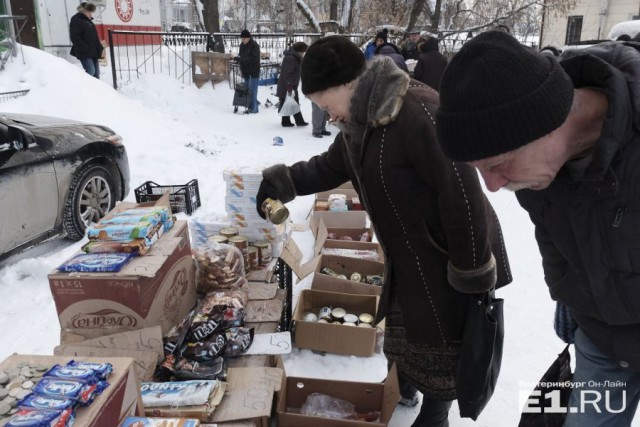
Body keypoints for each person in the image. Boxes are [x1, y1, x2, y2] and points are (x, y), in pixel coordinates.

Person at [255, 36, 512, 427]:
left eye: (325, 103)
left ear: (347, 84)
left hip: (451, 252)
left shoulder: (416, 112)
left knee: (445, 338)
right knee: (407, 326)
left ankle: (435, 413)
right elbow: (327, 168)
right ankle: (404, 384)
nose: (326, 112)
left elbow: (462, 194)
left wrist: (471, 272)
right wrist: (283, 181)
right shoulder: (360, 123)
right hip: (409, 252)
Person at [436, 30, 640, 426]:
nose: (492, 186)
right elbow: (554, 240)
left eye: (496, 164)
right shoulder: (534, 174)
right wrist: (570, 296)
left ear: (548, 123)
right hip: (601, 340)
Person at [276, 41, 308, 127]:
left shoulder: (294, 57)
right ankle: (292, 121)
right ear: (299, 51)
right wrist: (290, 86)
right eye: (303, 52)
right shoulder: (291, 58)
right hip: (288, 85)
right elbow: (288, 73)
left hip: (289, 85)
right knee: (290, 102)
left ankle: (293, 121)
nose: (303, 54)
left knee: (291, 102)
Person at [69, 2, 103, 78]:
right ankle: (83, 86)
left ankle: (97, 89)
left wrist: (100, 48)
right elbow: (75, 36)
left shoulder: (89, 22)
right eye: (89, 12)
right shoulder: (76, 20)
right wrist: (84, 48)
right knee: (91, 71)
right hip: (84, 52)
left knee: (97, 73)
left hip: (93, 51)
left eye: (91, 12)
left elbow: (95, 37)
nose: (91, 14)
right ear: (83, 11)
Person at [238, 29, 260, 113]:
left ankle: (254, 109)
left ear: (249, 38)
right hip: (245, 71)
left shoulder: (254, 45)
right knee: (247, 90)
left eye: (244, 38)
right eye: (242, 38)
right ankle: (250, 105)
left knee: (253, 90)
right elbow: (241, 56)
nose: (243, 40)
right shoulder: (242, 45)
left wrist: (242, 59)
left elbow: (254, 58)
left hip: (254, 71)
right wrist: (239, 60)